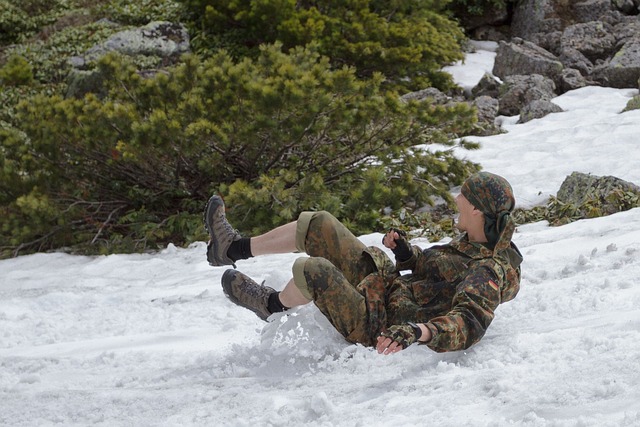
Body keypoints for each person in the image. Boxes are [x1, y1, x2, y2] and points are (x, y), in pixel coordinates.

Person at [204, 171, 522, 355]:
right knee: (319, 223)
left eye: (464, 198)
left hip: (376, 323)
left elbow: (468, 324)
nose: (456, 201)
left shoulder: (487, 272)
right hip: (381, 288)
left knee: (313, 269)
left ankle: (270, 305)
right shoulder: (474, 240)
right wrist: (407, 254)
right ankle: (231, 248)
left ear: (478, 210)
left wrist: (418, 332)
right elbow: (437, 274)